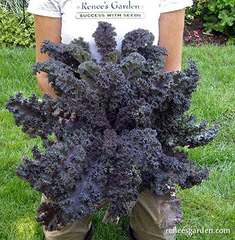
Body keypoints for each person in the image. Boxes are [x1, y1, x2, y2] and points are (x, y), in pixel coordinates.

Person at [27, 1, 193, 239]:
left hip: (143, 124)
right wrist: (94, 162)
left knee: (157, 233)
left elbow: (169, 73)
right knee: (63, 231)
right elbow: (46, 74)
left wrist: (120, 172)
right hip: (77, 120)